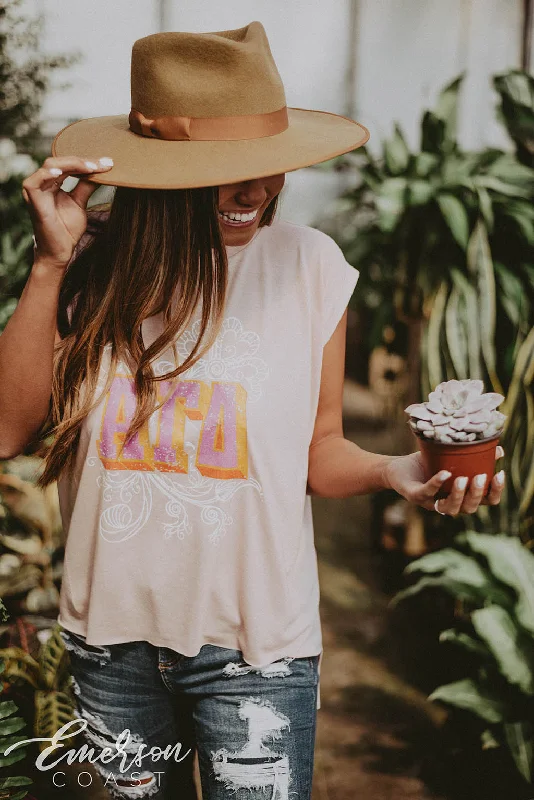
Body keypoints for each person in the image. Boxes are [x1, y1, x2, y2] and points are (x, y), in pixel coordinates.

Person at [0, 22, 505, 800]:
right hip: (111, 650)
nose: (257, 190)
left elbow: (318, 450)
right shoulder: (90, 268)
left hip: (256, 658)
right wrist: (48, 265)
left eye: (267, 168)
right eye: (227, 171)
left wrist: (396, 471)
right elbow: (10, 429)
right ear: (158, 170)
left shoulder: (310, 268)